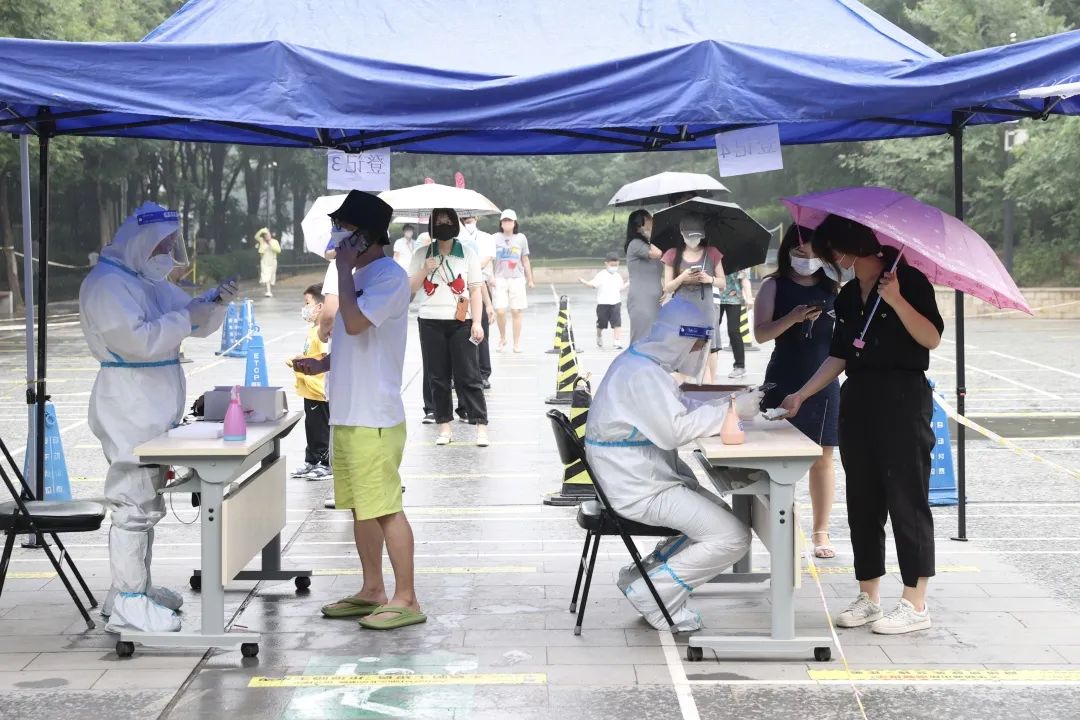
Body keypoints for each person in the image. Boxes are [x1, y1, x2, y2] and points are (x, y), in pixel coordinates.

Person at [781, 214, 943, 635]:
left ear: (845, 249)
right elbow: (840, 356)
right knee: (863, 501)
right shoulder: (850, 295)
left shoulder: (909, 281)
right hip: (859, 399)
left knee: (906, 498)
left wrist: (897, 302)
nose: (828, 261)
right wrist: (802, 393)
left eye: (828, 253)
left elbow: (931, 338)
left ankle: (915, 603)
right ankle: (868, 595)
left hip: (903, 399)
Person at [80, 202, 237, 633]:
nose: (170, 253)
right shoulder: (106, 284)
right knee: (132, 500)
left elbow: (189, 319)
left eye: (173, 244)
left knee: (146, 501)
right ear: (142, 242)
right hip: (128, 402)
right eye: (164, 245)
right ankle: (130, 602)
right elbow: (139, 341)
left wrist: (212, 303)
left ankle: (133, 591)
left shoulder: (140, 279)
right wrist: (186, 316)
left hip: (149, 403)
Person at [295, 190, 425, 631]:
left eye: (343, 228)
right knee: (360, 508)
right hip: (347, 412)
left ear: (363, 235)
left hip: (375, 416)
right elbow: (355, 341)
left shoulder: (387, 276)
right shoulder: (359, 275)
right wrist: (323, 362)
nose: (336, 234)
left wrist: (343, 272)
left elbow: (352, 322)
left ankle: (406, 597)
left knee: (385, 507)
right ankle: (372, 589)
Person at [586, 297, 750, 631]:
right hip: (637, 486)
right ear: (680, 338)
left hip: (636, 476)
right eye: (696, 344)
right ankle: (654, 595)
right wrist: (731, 412)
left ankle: (641, 575)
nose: (697, 352)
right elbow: (675, 430)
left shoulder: (643, 365)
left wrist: (726, 402)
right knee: (733, 536)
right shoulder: (643, 374)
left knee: (718, 518)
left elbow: (676, 406)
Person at [755, 225, 839, 559]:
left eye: (812, 252)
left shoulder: (833, 285)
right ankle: (786, 524)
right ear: (788, 250)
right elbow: (761, 334)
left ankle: (821, 531)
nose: (806, 258)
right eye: (799, 251)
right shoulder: (773, 285)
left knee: (824, 457)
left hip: (823, 378)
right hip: (783, 376)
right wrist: (791, 318)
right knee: (779, 457)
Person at [409, 208, 489, 447]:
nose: (443, 224)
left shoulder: (467, 253)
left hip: (460, 321)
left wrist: (476, 322)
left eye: (447, 220)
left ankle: (481, 426)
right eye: (439, 221)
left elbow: (475, 289)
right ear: (432, 225)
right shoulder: (422, 253)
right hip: (430, 321)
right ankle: (444, 427)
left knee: (468, 375)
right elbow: (410, 287)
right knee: (438, 377)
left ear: (455, 223)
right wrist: (425, 268)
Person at [661, 214, 725, 383]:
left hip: (706, 312)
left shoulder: (712, 253)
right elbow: (667, 287)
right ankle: (686, 389)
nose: (694, 240)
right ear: (681, 233)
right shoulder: (672, 254)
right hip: (682, 313)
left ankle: (708, 392)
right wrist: (682, 278)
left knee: (708, 352)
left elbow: (722, 283)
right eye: (690, 236)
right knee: (685, 354)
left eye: (697, 236)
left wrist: (709, 279)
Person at [290, 283, 332, 481]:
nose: (304, 308)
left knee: (321, 428)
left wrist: (305, 362)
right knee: (312, 426)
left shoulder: (322, 332)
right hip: (309, 390)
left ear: (320, 307)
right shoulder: (312, 329)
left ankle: (326, 462)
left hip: (319, 389)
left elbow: (324, 358)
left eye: (307, 303)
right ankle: (312, 459)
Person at [460, 215, 496, 388]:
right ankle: (463, 372)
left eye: (469, 219)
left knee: (480, 332)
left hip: (477, 288)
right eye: (464, 220)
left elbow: (479, 274)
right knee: (461, 333)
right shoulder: (452, 242)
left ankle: (483, 373)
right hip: (458, 295)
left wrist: (488, 304)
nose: (467, 223)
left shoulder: (481, 241)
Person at [491, 209, 534, 353]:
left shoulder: (521, 238)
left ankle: (516, 343)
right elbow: (490, 259)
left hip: (517, 278)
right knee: (501, 310)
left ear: (514, 223)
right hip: (499, 278)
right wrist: (490, 276)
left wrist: (530, 279)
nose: (507, 223)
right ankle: (502, 338)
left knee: (516, 310)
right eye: (504, 221)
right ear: (501, 223)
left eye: (509, 221)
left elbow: (525, 259)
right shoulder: (494, 238)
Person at [623, 209, 662, 345]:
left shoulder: (646, 244)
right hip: (642, 299)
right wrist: (651, 235)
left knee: (654, 338)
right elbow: (657, 254)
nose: (653, 221)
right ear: (640, 224)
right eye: (649, 218)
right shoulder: (635, 244)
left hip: (654, 300)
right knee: (641, 338)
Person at [579, 252, 628, 349]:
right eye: (612, 265)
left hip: (615, 303)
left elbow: (621, 287)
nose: (614, 267)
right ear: (606, 264)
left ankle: (617, 341)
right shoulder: (601, 275)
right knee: (602, 323)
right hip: (603, 304)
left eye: (616, 265)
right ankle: (599, 336)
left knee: (617, 322)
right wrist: (584, 282)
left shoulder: (617, 276)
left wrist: (628, 283)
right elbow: (593, 285)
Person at [714, 269, 754, 379]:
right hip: (714, 298)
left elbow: (745, 279)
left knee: (733, 330)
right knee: (712, 331)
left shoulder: (739, 260)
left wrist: (749, 298)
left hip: (734, 299)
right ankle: (709, 365)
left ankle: (740, 366)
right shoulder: (714, 257)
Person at [255, 227, 281, 297]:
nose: (267, 236)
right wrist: (262, 230)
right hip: (264, 260)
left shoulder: (275, 241)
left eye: (268, 235)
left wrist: (271, 245)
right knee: (266, 275)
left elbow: (279, 250)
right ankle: (268, 291)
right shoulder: (262, 241)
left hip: (272, 261)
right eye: (266, 235)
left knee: (271, 277)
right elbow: (256, 236)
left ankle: (267, 288)